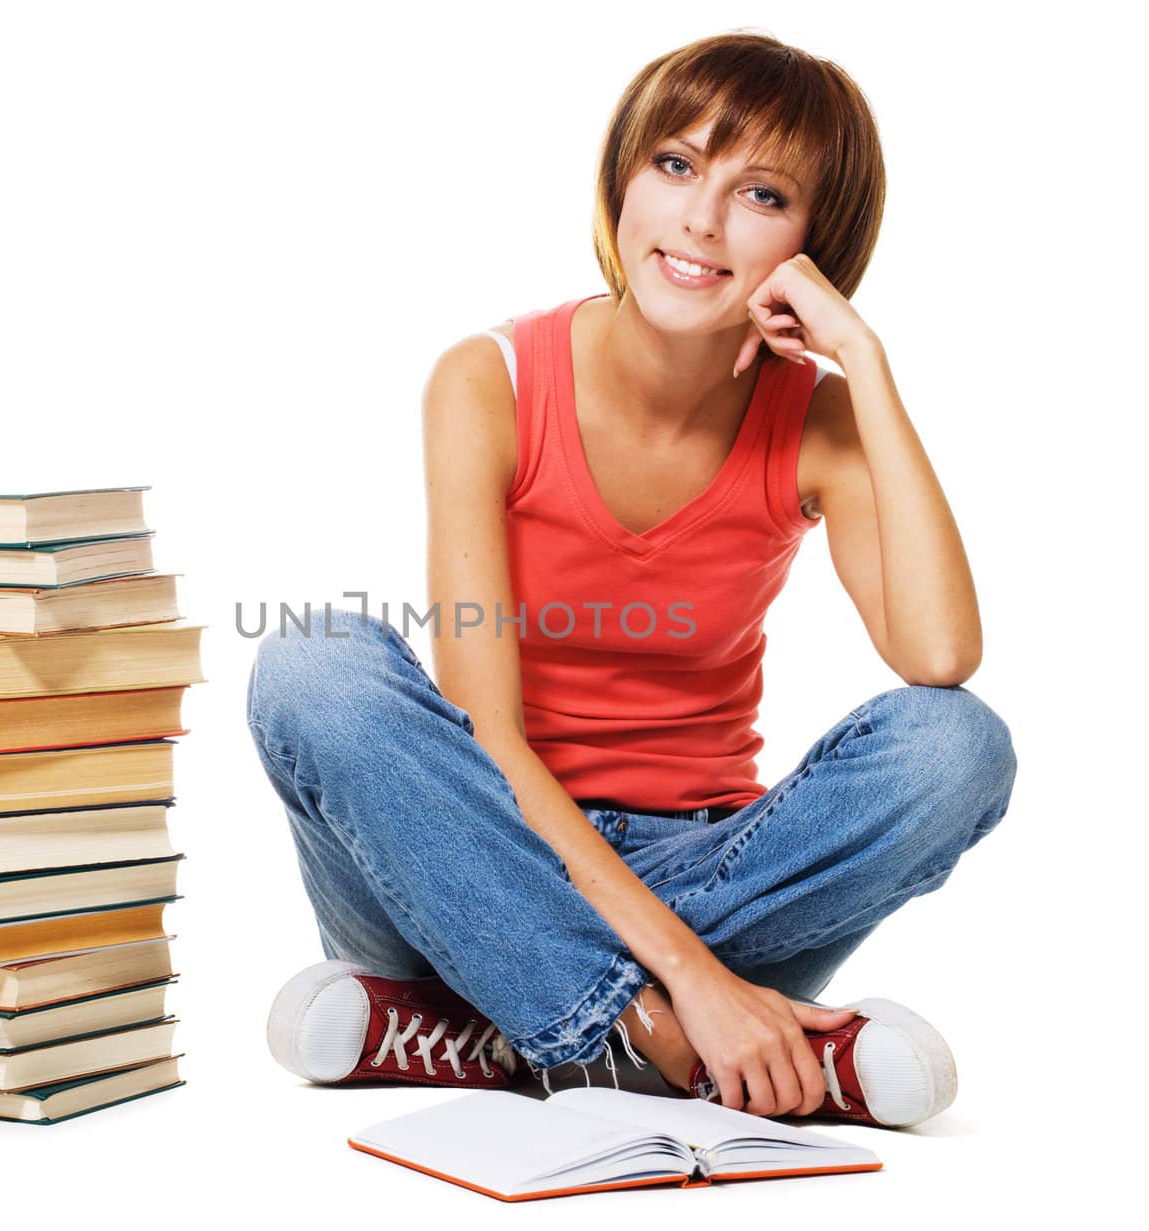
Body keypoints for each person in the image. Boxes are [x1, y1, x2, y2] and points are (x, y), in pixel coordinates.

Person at [247, 30, 1016, 1129]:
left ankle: (467, 1030)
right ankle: (666, 1041)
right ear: (621, 177)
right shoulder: (489, 381)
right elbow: (486, 736)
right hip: (468, 854)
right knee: (313, 660)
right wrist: (685, 985)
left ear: (813, 241)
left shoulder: (819, 423)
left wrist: (867, 366)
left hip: (702, 864)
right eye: (674, 164)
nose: (700, 220)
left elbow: (939, 658)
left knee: (959, 745)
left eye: (759, 192)